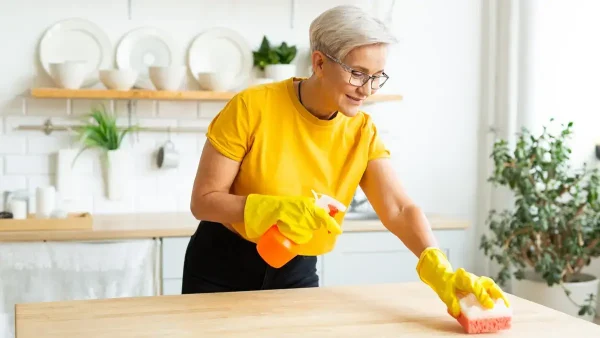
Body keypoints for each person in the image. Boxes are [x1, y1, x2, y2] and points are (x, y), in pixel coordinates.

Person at [183, 5, 509, 318]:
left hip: (295, 270)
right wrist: (273, 208)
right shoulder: (251, 107)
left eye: (377, 76)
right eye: (358, 73)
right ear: (320, 63)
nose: (367, 89)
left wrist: (442, 271)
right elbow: (203, 201)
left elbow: (398, 209)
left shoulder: (361, 131)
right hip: (221, 266)